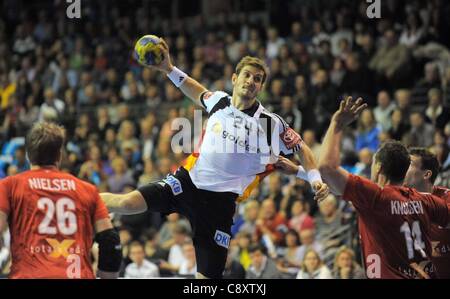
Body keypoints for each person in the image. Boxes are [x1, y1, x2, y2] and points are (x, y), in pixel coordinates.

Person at [101, 39, 329, 278]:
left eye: (257, 79)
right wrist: (168, 68)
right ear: (234, 79)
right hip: (186, 183)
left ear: (260, 87)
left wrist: (313, 178)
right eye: (247, 75)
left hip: (219, 207)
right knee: (127, 204)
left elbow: (301, 147)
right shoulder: (220, 101)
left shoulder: (269, 123)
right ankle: (80, 201)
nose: (251, 81)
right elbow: (195, 89)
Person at [277, 97, 449, 278]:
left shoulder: (376, 197)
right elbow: (337, 184)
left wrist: (336, 123)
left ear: (379, 168)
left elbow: (328, 168)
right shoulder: (426, 200)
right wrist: (298, 171)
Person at [0, 122, 121, 279]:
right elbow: (110, 241)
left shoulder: (10, 186)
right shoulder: (88, 189)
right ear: (59, 154)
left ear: (29, 154)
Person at [404, 147, 450, 278]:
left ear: (426, 174)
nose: (402, 167)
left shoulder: (447, 199)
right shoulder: (396, 199)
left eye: (409, 164)